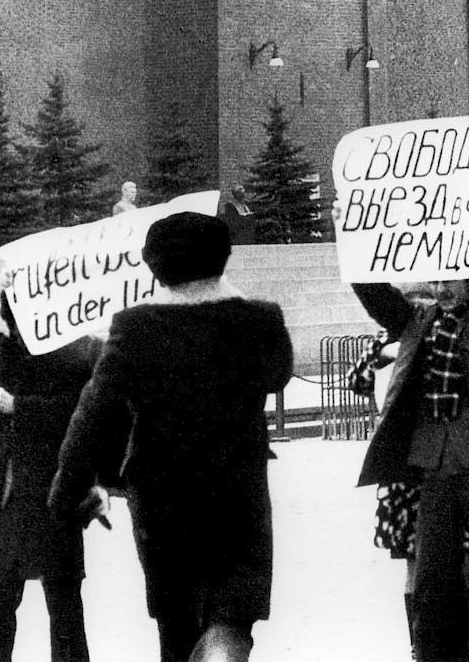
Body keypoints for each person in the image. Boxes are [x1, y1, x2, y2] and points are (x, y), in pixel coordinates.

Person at [49, 213, 293, 662]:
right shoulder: (259, 318)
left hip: (163, 498)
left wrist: (66, 494)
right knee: (232, 612)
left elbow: (92, 416)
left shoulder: (133, 327)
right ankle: (223, 648)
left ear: (152, 266)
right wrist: (234, 299)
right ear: (224, 258)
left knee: (177, 625)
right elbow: (278, 375)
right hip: (237, 493)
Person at [341, 203, 469, 662]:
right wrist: (348, 232)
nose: (442, 289)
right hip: (432, 467)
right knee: (434, 582)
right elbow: (377, 297)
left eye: (451, 279)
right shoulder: (419, 319)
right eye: (435, 281)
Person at [0, 291, 110, 662]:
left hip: (40, 494)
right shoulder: (6, 352)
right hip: (30, 495)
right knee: (27, 605)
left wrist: (18, 406)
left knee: (35, 604)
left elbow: (76, 412)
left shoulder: (72, 353)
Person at [368, 285, 469, 661]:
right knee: (418, 563)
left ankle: (463, 643)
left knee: (465, 560)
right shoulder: (395, 334)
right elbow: (360, 378)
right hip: (410, 466)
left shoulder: (468, 327)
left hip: (453, 454)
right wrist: (390, 353)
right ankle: (420, 644)